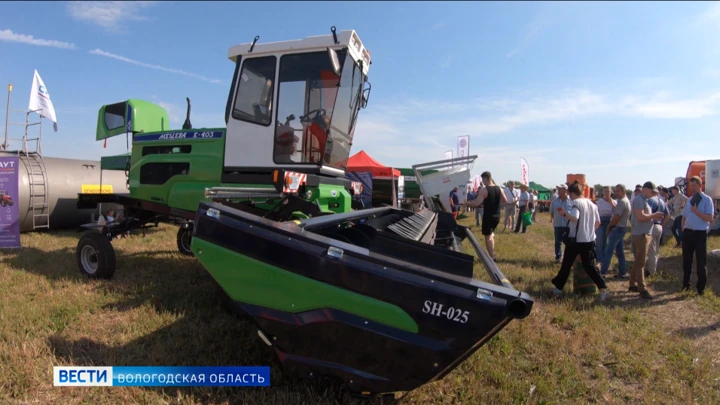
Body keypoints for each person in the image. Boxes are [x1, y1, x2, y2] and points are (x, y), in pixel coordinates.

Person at [550, 182, 609, 301]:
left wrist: (564, 214)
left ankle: (558, 289)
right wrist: (588, 230)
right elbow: (597, 223)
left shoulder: (575, 203)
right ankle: (602, 288)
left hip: (576, 240)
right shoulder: (592, 204)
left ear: (571, 193)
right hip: (589, 239)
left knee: (566, 265)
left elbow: (575, 217)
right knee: (589, 267)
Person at [629, 181, 665, 299]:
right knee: (641, 262)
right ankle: (642, 289)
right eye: (652, 191)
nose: (653, 194)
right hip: (641, 234)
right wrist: (654, 216)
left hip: (643, 233)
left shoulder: (643, 200)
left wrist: (653, 215)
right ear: (646, 189)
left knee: (638, 260)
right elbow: (640, 216)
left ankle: (632, 284)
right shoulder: (640, 200)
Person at [681, 176, 715, 295]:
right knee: (686, 261)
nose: (692, 188)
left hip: (700, 234)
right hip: (688, 233)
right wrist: (683, 228)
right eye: (691, 186)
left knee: (701, 262)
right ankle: (686, 285)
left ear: (700, 185)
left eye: (694, 186)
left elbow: (710, 218)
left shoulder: (707, 200)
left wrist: (697, 212)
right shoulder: (689, 200)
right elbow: (684, 216)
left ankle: (700, 288)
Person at [466, 171, 507, 261]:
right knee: (491, 234)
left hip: (488, 216)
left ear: (486, 178)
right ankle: (492, 254)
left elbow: (476, 203)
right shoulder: (499, 189)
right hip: (497, 216)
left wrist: (467, 204)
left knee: (487, 237)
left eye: (483, 179)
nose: (482, 182)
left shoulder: (484, 190)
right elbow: (505, 200)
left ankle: (492, 257)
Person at [601, 184, 631, 278]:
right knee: (619, 252)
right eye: (616, 191)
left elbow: (617, 217)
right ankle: (622, 272)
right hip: (621, 228)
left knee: (608, 251)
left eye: (618, 191)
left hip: (617, 228)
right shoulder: (623, 201)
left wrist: (609, 226)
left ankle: (602, 273)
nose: (616, 193)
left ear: (624, 191)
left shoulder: (622, 202)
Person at [645, 188, 671, 276]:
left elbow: (647, 214)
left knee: (651, 250)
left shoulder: (650, 201)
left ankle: (651, 271)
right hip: (659, 226)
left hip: (652, 226)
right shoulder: (662, 201)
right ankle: (653, 268)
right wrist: (662, 224)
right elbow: (667, 215)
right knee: (656, 250)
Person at [549, 184, 571, 263]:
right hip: (558, 224)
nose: (558, 191)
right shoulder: (555, 201)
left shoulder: (571, 201)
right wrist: (552, 219)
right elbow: (551, 211)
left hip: (568, 225)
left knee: (568, 243)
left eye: (560, 189)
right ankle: (558, 258)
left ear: (565, 190)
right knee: (558, 242)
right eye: (558, 189)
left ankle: (568, 258)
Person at [595, 186, 616, 266]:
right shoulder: (599, 202)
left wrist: (611, 202)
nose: (607, 193)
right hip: (600, 223)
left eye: (608, 191)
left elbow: (617, 211)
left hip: (609, 224)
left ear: (611, 192)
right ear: (602, 192)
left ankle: (606, 260)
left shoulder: (614, 202)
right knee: (599, 241)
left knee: (607, 242)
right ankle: (599, 260)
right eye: (605, 191)